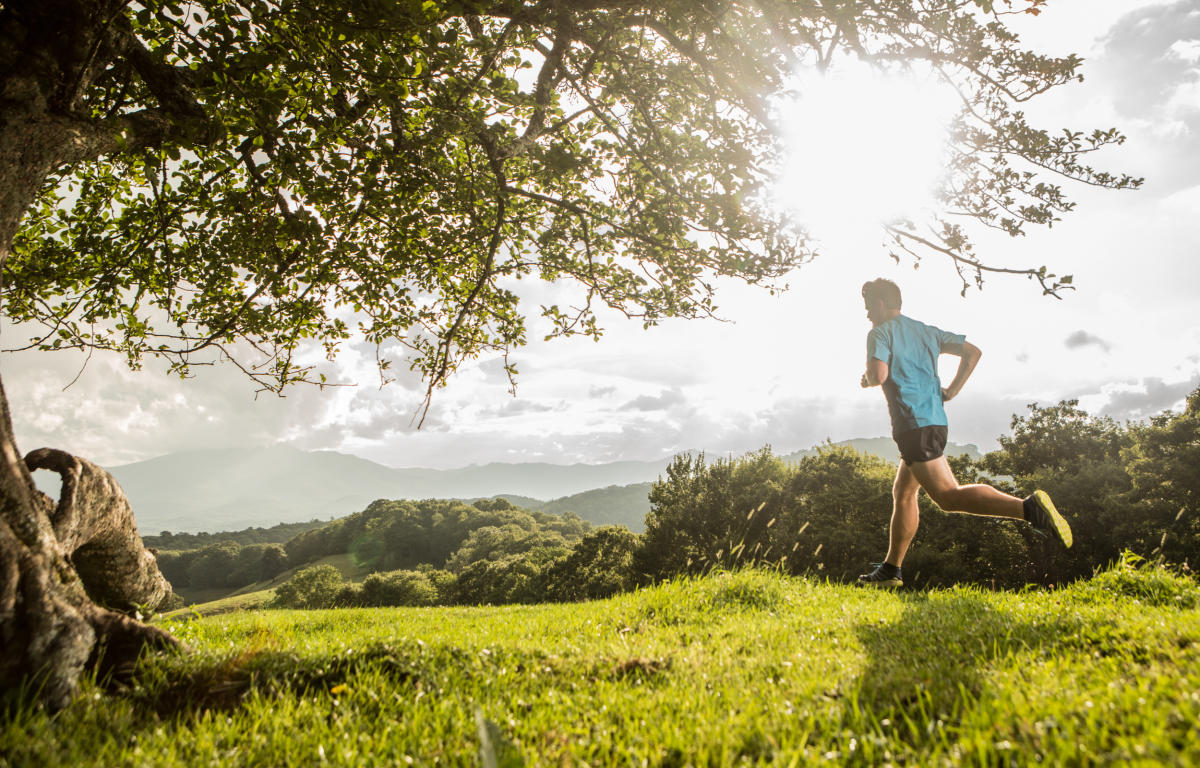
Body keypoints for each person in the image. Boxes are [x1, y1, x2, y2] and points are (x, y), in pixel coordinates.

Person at [856, 278, 1072, 588]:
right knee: (903, 492)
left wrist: (867, 378)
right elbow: (972, 352)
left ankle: (1029, 509)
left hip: (912, 426)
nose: (866, 314)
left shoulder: (879, 332)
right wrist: (952, 390)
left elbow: (878, 375)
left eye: (867, 307)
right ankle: (892, 570)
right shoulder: (927, 331)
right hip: (934, 421)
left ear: (879, 304)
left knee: (947, 496)